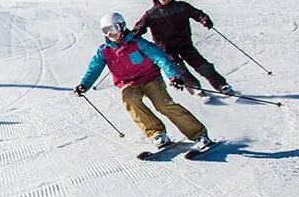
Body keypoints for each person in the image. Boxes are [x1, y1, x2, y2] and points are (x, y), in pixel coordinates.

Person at [74, 13, 214, 152]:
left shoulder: (137, 42)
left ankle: (199, 135)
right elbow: (94, 68)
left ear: (122, 26)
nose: (111, 34)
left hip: (150, 78)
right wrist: (84, 85)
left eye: (114, 28)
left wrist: (173, 76)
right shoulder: (104, 51)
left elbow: (160, 58)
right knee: (128, 98)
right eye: (106, 31)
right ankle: (156, 133)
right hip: (128, 84)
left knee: (163, 104)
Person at [132, 0, 233, 95]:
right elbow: (140, 26)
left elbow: (196, 13)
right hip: (166, 47)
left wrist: (204, 19)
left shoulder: (181, 7)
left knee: (201, 64)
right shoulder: (151, 14)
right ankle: (194, 87)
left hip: (184, 43)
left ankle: (221, 85)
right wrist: (135, 34)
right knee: (178, 68)